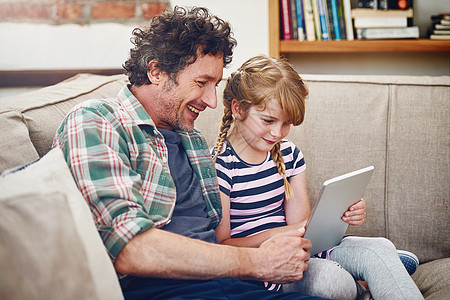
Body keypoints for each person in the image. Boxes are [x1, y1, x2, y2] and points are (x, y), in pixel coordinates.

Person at [52, 6, 329, 300]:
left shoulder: (191, 140)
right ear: (156, 71)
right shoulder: (97, 121)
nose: (212, 101)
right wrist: (259, 262)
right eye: (201, 83)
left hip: (233, 285)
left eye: (216, 85)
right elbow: (130, 248)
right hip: (167, 289)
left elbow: (218, 237)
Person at [212, 55, 424, 300]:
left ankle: (376, 268)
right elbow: (223, 246)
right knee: (333, 281)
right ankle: (368, 278)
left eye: (286, 123)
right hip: (274, 268)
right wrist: (280, 234)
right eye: (268, 120)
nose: (277, 133)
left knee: (381, 248)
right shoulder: (221, 166)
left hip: (311, 250)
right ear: (238, 109)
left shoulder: (290, 155)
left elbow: (304, 228)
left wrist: (341, 213)